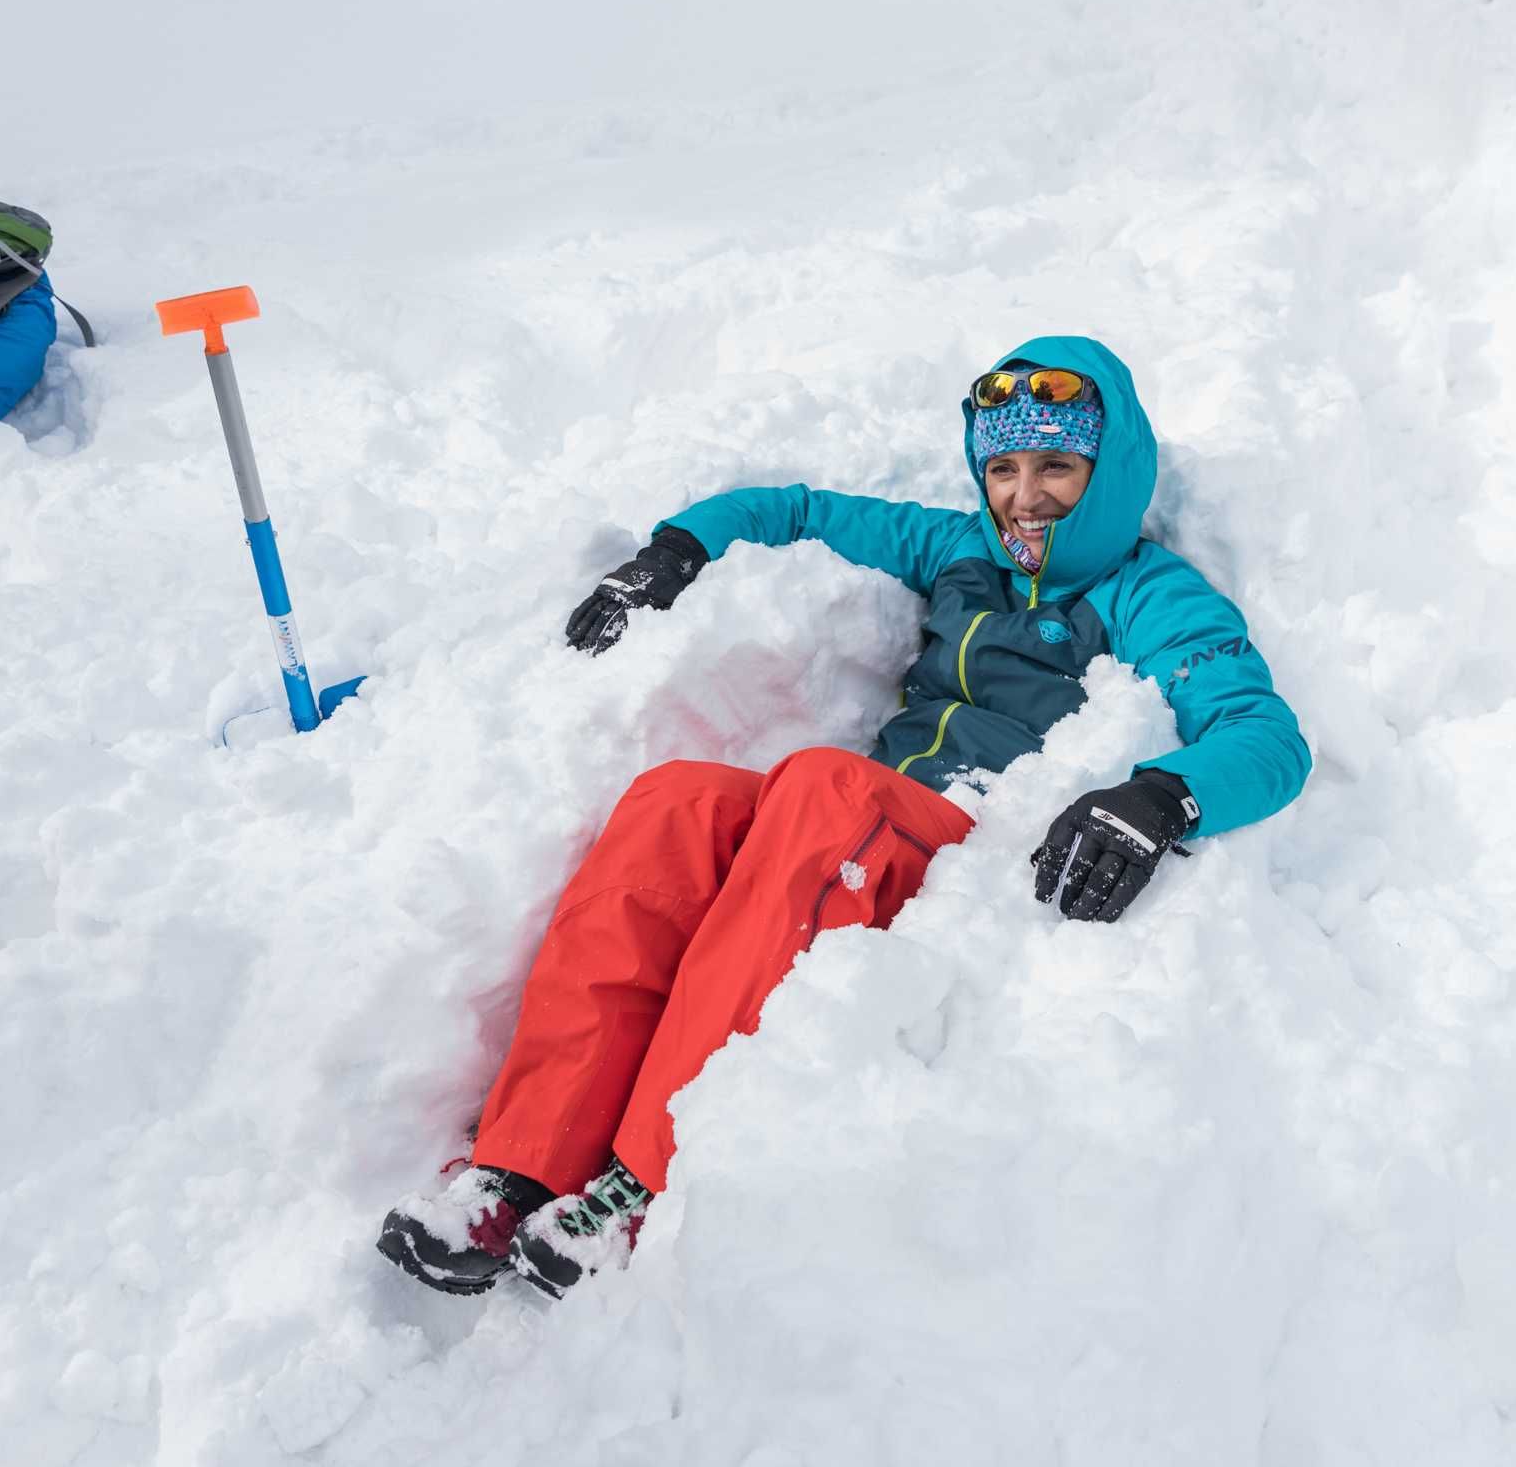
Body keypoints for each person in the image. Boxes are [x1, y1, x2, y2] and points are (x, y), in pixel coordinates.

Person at [378, 335, 1310, 1299]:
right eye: (1005, 468)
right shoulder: (957, 547)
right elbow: (794, 510)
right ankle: (525, 1161)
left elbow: (1265, 733)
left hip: (964, 851)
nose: (1025, 497)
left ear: (1110, 473)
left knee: (825, 784)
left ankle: (644, 1178)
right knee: (679, 800)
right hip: (842, 829)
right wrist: (678, 546)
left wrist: (1158, 797)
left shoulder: (1148, 593)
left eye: (1057, 468)